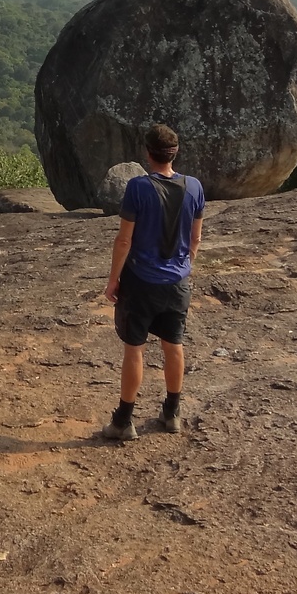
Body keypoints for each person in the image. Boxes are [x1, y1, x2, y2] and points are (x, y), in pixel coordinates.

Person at [102, 123, 205, 438]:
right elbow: (196, 239)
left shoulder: (138, 187)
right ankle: (172, 413)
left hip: (141, 282)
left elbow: (124, 241)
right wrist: (181, 270)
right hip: (177, 282)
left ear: (148, 154)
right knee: (173, 343)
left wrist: (113, 280)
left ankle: (123, 421)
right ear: (175, 153)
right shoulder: (195, 187)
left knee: (135, 348)